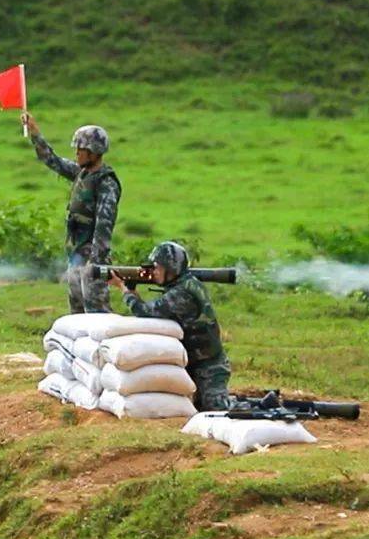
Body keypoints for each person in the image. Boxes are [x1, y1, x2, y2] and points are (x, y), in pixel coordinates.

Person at [107, 241, 232, 411]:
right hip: (194, 362)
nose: (154, 272)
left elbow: (145, 312)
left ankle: (261, 405)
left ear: (171, 270)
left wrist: (124, 290)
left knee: (216, 409)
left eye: (158, 268)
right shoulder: (185, 284)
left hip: (209, 366)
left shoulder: (182, 293)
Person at [21, 112, 121, 313]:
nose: (77, 153)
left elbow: (104, 225)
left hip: (92, 256)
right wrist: (35, 133)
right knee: (76, 307)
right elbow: (52, 161)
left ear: (94, 152)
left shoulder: (106, 183)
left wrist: (96, 262)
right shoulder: (81, 173)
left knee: (96, 309)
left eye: (81, 150)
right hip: (76, 253)